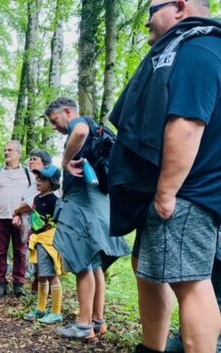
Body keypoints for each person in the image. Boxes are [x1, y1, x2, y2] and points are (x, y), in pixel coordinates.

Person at [107, 2, 221, 352]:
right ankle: (151, 348)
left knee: (190, 282)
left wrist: (166, 193)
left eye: (153, 8)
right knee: (147, 269)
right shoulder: (198, 47)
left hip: (186, 192)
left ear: (179, 6)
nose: (146, 21)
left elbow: (188, 123)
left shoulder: (198, 48)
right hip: (179, 190)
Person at [44, 97, 130, 339]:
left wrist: (63, 161)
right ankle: (97, 321)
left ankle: (83, 325)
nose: (54, 126)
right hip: (98, 202)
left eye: (55, 120)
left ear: (68, 112)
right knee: (94, 265)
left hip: (82, 203)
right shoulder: (97, 128)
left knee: (82, 261)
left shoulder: (80, 123)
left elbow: (79, 131)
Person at [16, 165, 64, 324]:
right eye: (37, 177)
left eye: (43, 179)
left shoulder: (55, 200)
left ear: (52, 182)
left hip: (48, 242)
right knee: (41, 276)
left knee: (51, 275)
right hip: (36, 240)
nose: (38, 180)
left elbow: (58, 221)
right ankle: (40, 309)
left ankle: (56, 311)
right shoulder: (37, 198)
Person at [0, 141, 32, 298]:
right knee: (0, 251)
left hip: (22, 218)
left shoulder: (27, 173)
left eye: (10, 150)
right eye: (5, 150)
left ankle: (19, 284)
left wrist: (21, 213)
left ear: (19, 153)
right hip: (0, 217)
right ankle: (1, 282)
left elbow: (32, 196)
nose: (6, 152)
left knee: (20, 251)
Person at [22, 150, 53, 292]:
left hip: (46, 232)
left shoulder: (49, 182)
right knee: (36, 261)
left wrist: (15, 212)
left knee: (45, 264)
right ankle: (39, 292)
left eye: (34, 159)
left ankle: (48, 295)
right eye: (30, 159)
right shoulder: (35, 181)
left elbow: (29, 204)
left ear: (44, 163)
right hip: (34, 229)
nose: (30, 161)